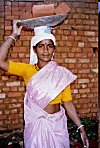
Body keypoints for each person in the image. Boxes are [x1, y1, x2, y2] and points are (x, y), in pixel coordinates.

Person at [0, 20, 88, 148]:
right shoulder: (27, 70)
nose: (45, 50)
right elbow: (1, 61)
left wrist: (81, 128)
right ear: (34, 49)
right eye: (41, 46)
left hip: (57, 125)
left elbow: (68, 103)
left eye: (49, 46)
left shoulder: (61, 74)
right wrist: (14, 35)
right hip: (36, 125)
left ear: (54, 49)